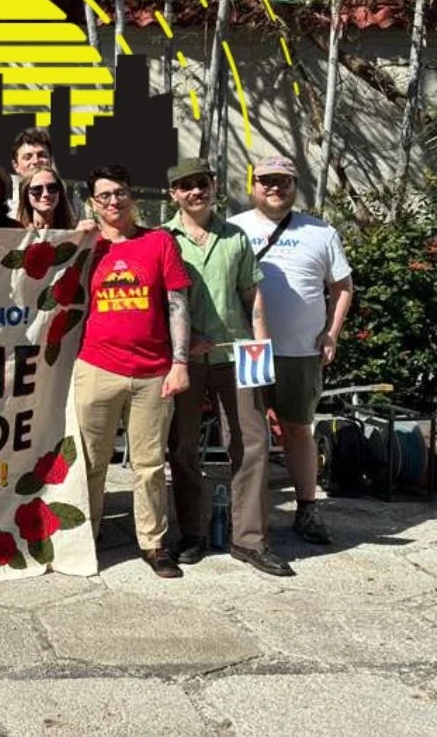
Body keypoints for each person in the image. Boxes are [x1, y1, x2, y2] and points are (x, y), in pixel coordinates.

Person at [163, 158, 292, 577]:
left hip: (237, 356)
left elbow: (252, 296)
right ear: (174, 194)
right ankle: (193, 534)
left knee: (251, 444)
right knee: (182, 448)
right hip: (184, 360)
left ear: (214, 186)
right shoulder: (163, 239)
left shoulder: (236, 237)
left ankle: (249, 540)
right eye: (186, 186)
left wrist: (262, 346)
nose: (195, 192)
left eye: (201, 184)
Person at [72, 164, 191, 579]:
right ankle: (84, 535)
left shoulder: (159, 242)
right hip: (95, 367)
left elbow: (177, 304)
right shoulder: (85, 246)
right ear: (92, 202)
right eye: (103, 195)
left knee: (150, 464)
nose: (113, 201)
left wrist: (179, 363)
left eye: (119, 192)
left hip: (152, 372)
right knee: (89, 461)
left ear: (131, 195)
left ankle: (153, 543)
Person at [230, 155, 353, 546]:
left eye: (283, 181)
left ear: (294, 186)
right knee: (249, 435)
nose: (274, 188)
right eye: (266, 180)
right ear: (253, 185)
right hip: (248, 349)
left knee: (298, 429)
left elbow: (343, 287)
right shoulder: (234, 228)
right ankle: (248, 516)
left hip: (300, 350)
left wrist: (331, 333)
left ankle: (306, 508)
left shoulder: (320, 232)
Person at [16, 164, 77, 231]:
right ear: (26, 195)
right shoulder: (14, 231)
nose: (46, 194)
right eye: (37, 189)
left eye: (52, 188)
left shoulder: (75, 231)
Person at [8, 127, 53, 216]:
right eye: (28, 157)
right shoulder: (6, 205)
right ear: (16, 166)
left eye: (41, 155)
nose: (36, 161)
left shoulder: (72, 202)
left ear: (50, 161)